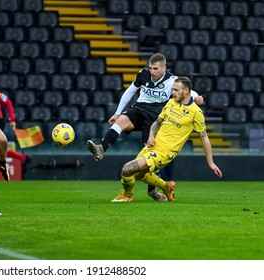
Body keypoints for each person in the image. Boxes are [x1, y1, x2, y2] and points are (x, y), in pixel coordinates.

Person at [86, 53, 203, 201]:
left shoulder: (171, 80)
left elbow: (190, 92)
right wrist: (117, 113)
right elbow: (130, 91)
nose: (152, 72)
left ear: (164, 68)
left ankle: (153, 190)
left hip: (154, 119)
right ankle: (101, 148)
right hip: (139, 110)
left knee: (148, 160)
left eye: (155, 68)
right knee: (121, 120)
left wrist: (198, 98)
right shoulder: (143, 75)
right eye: (150, 68)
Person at [112, 76, 222, 202]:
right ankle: (166, 187)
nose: (172, 92)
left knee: (127, 169)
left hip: (165, 153)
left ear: (186, 91)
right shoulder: (170, 103)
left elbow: (204, 138)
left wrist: (211, 163)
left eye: (176, 90)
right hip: (153, 146)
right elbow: (157, 123)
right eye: (172, 90)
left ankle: (127, 195)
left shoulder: (196, 113)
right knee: (138, 174)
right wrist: (151, 136)